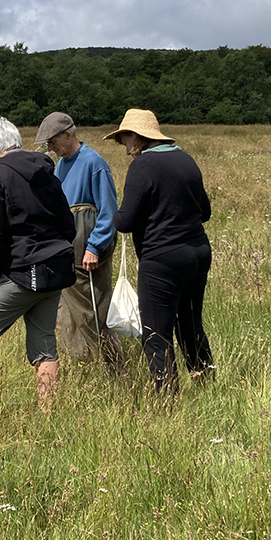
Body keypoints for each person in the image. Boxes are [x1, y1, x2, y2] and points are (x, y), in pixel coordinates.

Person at [0, 117, 75, 410]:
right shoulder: (48, 172)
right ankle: (47, 417)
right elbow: (68, 224)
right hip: (56, 270)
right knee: (45, 344)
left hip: (20, 273)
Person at [106, 109, 215, 393]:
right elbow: (205, 211)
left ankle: (167, 398)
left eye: (125, 138)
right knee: (191, 326)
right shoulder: (186, 159)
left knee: (156, 333)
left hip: (162, 259)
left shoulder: (143, 167)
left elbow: (126, 222)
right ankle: (207, 384)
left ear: (139, 137)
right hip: (197, 252)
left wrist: (113, 216)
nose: (125, 147)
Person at [35, 112, 124, 369]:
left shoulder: (94, 163)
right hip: (68, 256)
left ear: (68, 134)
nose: (51, 149)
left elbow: (108, 212)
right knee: (69, 315)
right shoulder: (61, 165)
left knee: (96, 315)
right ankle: (84, 364)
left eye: (53, 142)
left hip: (90, 258)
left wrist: (94, 247)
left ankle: (116, 371)